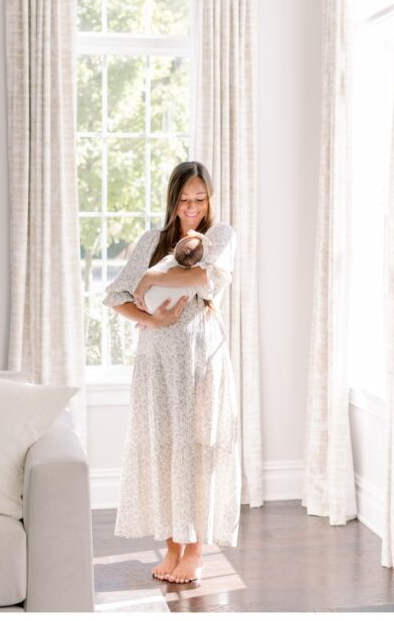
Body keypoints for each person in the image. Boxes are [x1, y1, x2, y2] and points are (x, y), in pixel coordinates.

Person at [103, 161, 239, 585]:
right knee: (163, 447)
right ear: (173, 200)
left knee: (198, 446)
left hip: (199, 356)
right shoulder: (151, 240)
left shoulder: (219, 237)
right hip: (157, 360)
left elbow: (204, 277)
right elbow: (115, 297)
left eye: (200, 200)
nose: (192, 208)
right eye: (184, 200)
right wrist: (155, 317)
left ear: (210, 200)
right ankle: (171, 546)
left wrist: (151, 276)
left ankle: (195, 549)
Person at [140, 231, 208, 316]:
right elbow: (206, 293)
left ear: (176, 248)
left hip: (147, 303)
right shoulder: (196, 276)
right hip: (170, 310)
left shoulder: (168, 259)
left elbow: (153, 270)